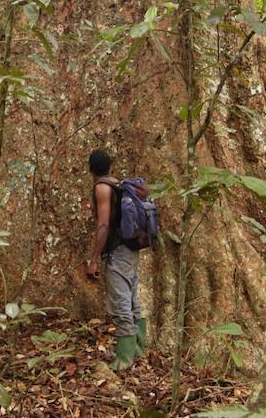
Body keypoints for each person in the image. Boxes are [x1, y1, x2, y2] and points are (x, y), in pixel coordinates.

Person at [85, 149, 146, 370]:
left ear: (91, 168)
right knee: (131, 299)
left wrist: (94, 259)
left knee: (121, 302)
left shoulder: (102, 188)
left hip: (118, 251)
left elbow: (103, 225)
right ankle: (137, 350)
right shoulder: (118, 184)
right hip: (130, 249)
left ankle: (124, 358)